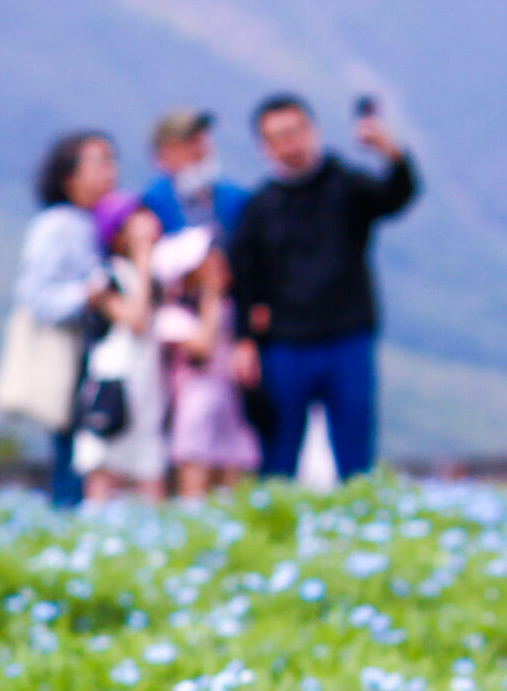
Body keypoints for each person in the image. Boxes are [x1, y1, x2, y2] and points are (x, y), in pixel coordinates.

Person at [228, 93, 419, 483]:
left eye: (295, 132)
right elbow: (244, 280)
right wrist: (244, 341)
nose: (290, 144)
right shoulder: (259, 207)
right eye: (278, 137)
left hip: (347, 334)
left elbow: (396, 196)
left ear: (312, 131)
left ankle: (360, 519)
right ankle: (274, 528)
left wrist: (392, 153)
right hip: (284, 342)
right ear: (265, 147)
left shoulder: (346, 185)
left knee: (355, 451)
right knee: (278, 454)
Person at [14, 131, 121, 508]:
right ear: (69, 177)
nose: (110, 171)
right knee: (72, 449)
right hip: (69, 352)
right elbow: (35, 296)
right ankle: (66, 519)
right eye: (99, 162)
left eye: (111, 160)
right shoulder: (57, 225)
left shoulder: (96, 222)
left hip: (94, 355)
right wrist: (86, 295)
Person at [151, 227, 260, 498]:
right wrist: (211, 295)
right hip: (196, 405)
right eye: (208, 257)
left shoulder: (231, 306)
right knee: (195, 487)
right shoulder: (172, 315)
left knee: (233, 483)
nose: (217, 260)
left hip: (231, 402)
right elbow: (203, 346)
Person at [76, 195, 166, 505]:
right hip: (113, 389)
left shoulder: (155, 277)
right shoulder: (106, 278)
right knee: (104, 472)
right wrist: (142, 256)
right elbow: (136, 319)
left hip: (147, 391)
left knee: (150, 475)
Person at [138, 108, 250, 239]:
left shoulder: (236, 198)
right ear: (163, 156)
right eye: (188, 142)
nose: (198, 149)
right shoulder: (151, 206)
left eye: (201, 139)